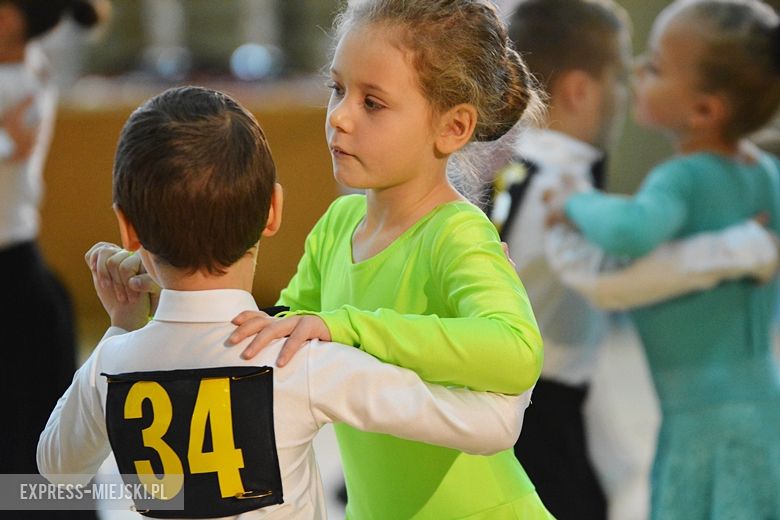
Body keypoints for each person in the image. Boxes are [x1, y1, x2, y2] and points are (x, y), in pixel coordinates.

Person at [37, 86, 534, 519]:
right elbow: (493, 426)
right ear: (273, 211)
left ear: (127, 228)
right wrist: (509, 295)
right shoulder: (301, 362)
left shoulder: (111, 365)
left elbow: (55, 472)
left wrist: (123, 327)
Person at [225, 1, 552, 518]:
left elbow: (516, 351)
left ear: (452, 127)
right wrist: (163, 294)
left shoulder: (457, 233)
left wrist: (348, 327)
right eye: (338, 89)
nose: (340, 116)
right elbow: (274, 345)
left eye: (372, 103)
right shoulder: (337, 225)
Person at [490, 1, 780, 518]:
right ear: (580, 91)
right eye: (626, 75)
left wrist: (578, 207)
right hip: (755, 398)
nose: (636, 81)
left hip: (683, 410)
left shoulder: (535, 170)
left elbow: (624, 245)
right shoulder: (764, 175)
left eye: (653, 69)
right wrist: (736, 250)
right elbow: (613, 273)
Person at [0, 3, 105, 519]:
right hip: (20, 275)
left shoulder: (19, 80)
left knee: (31, 445)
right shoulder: (33, 66)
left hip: (13, 279)